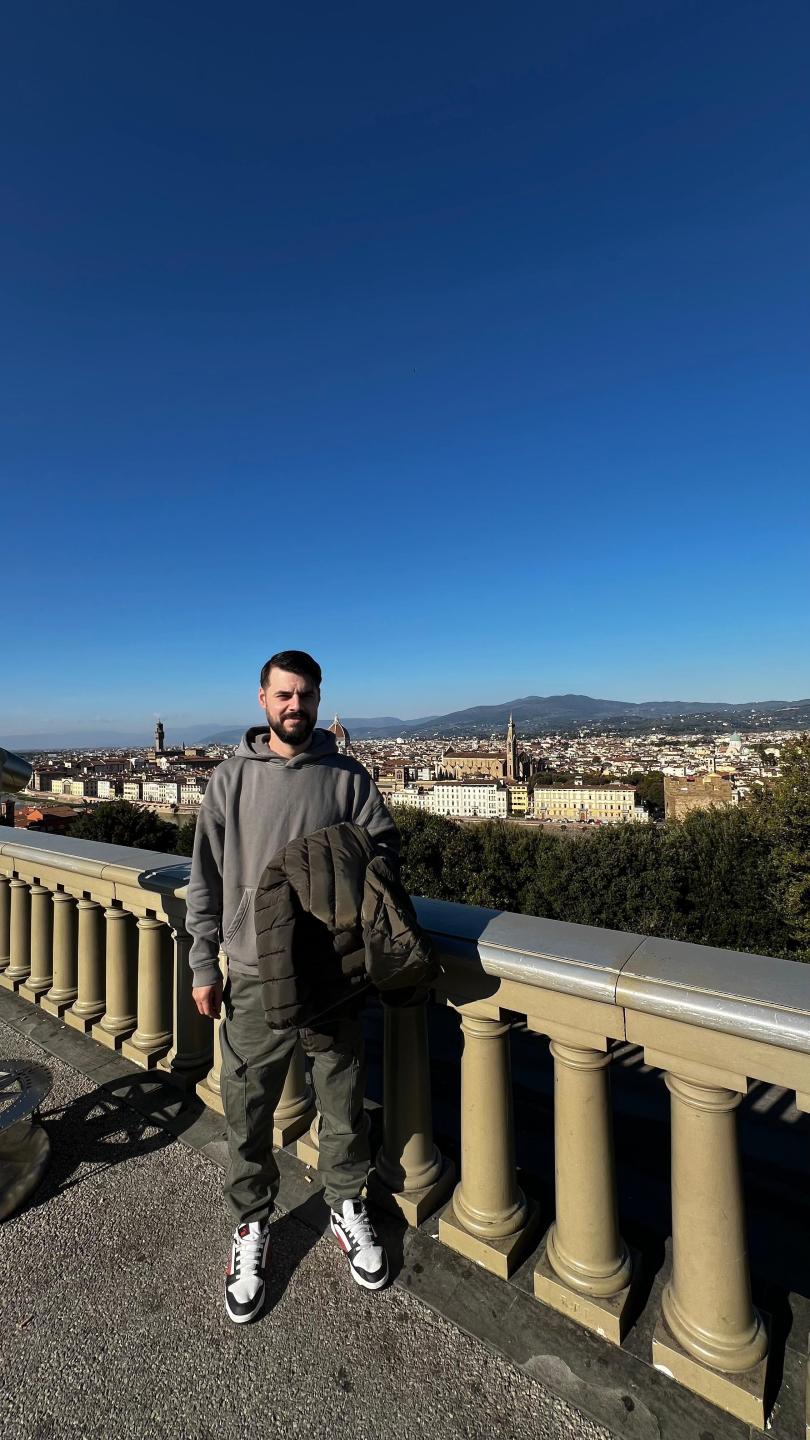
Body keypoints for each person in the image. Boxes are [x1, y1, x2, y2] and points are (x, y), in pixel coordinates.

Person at [186, 649, 399, 1323]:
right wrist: (203, 962)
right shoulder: (230, 780)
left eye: (305, 695)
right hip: (253, 971)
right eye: (284, 695)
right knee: (247, 1106)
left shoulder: (348, 777)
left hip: (332, 971)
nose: (295, 706)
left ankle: (345, 1204)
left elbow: (385, 853)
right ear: (262, 700)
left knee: (342, 1098)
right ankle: (251, 1222)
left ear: (318, 700)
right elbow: (205, 878)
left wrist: (348, 868)